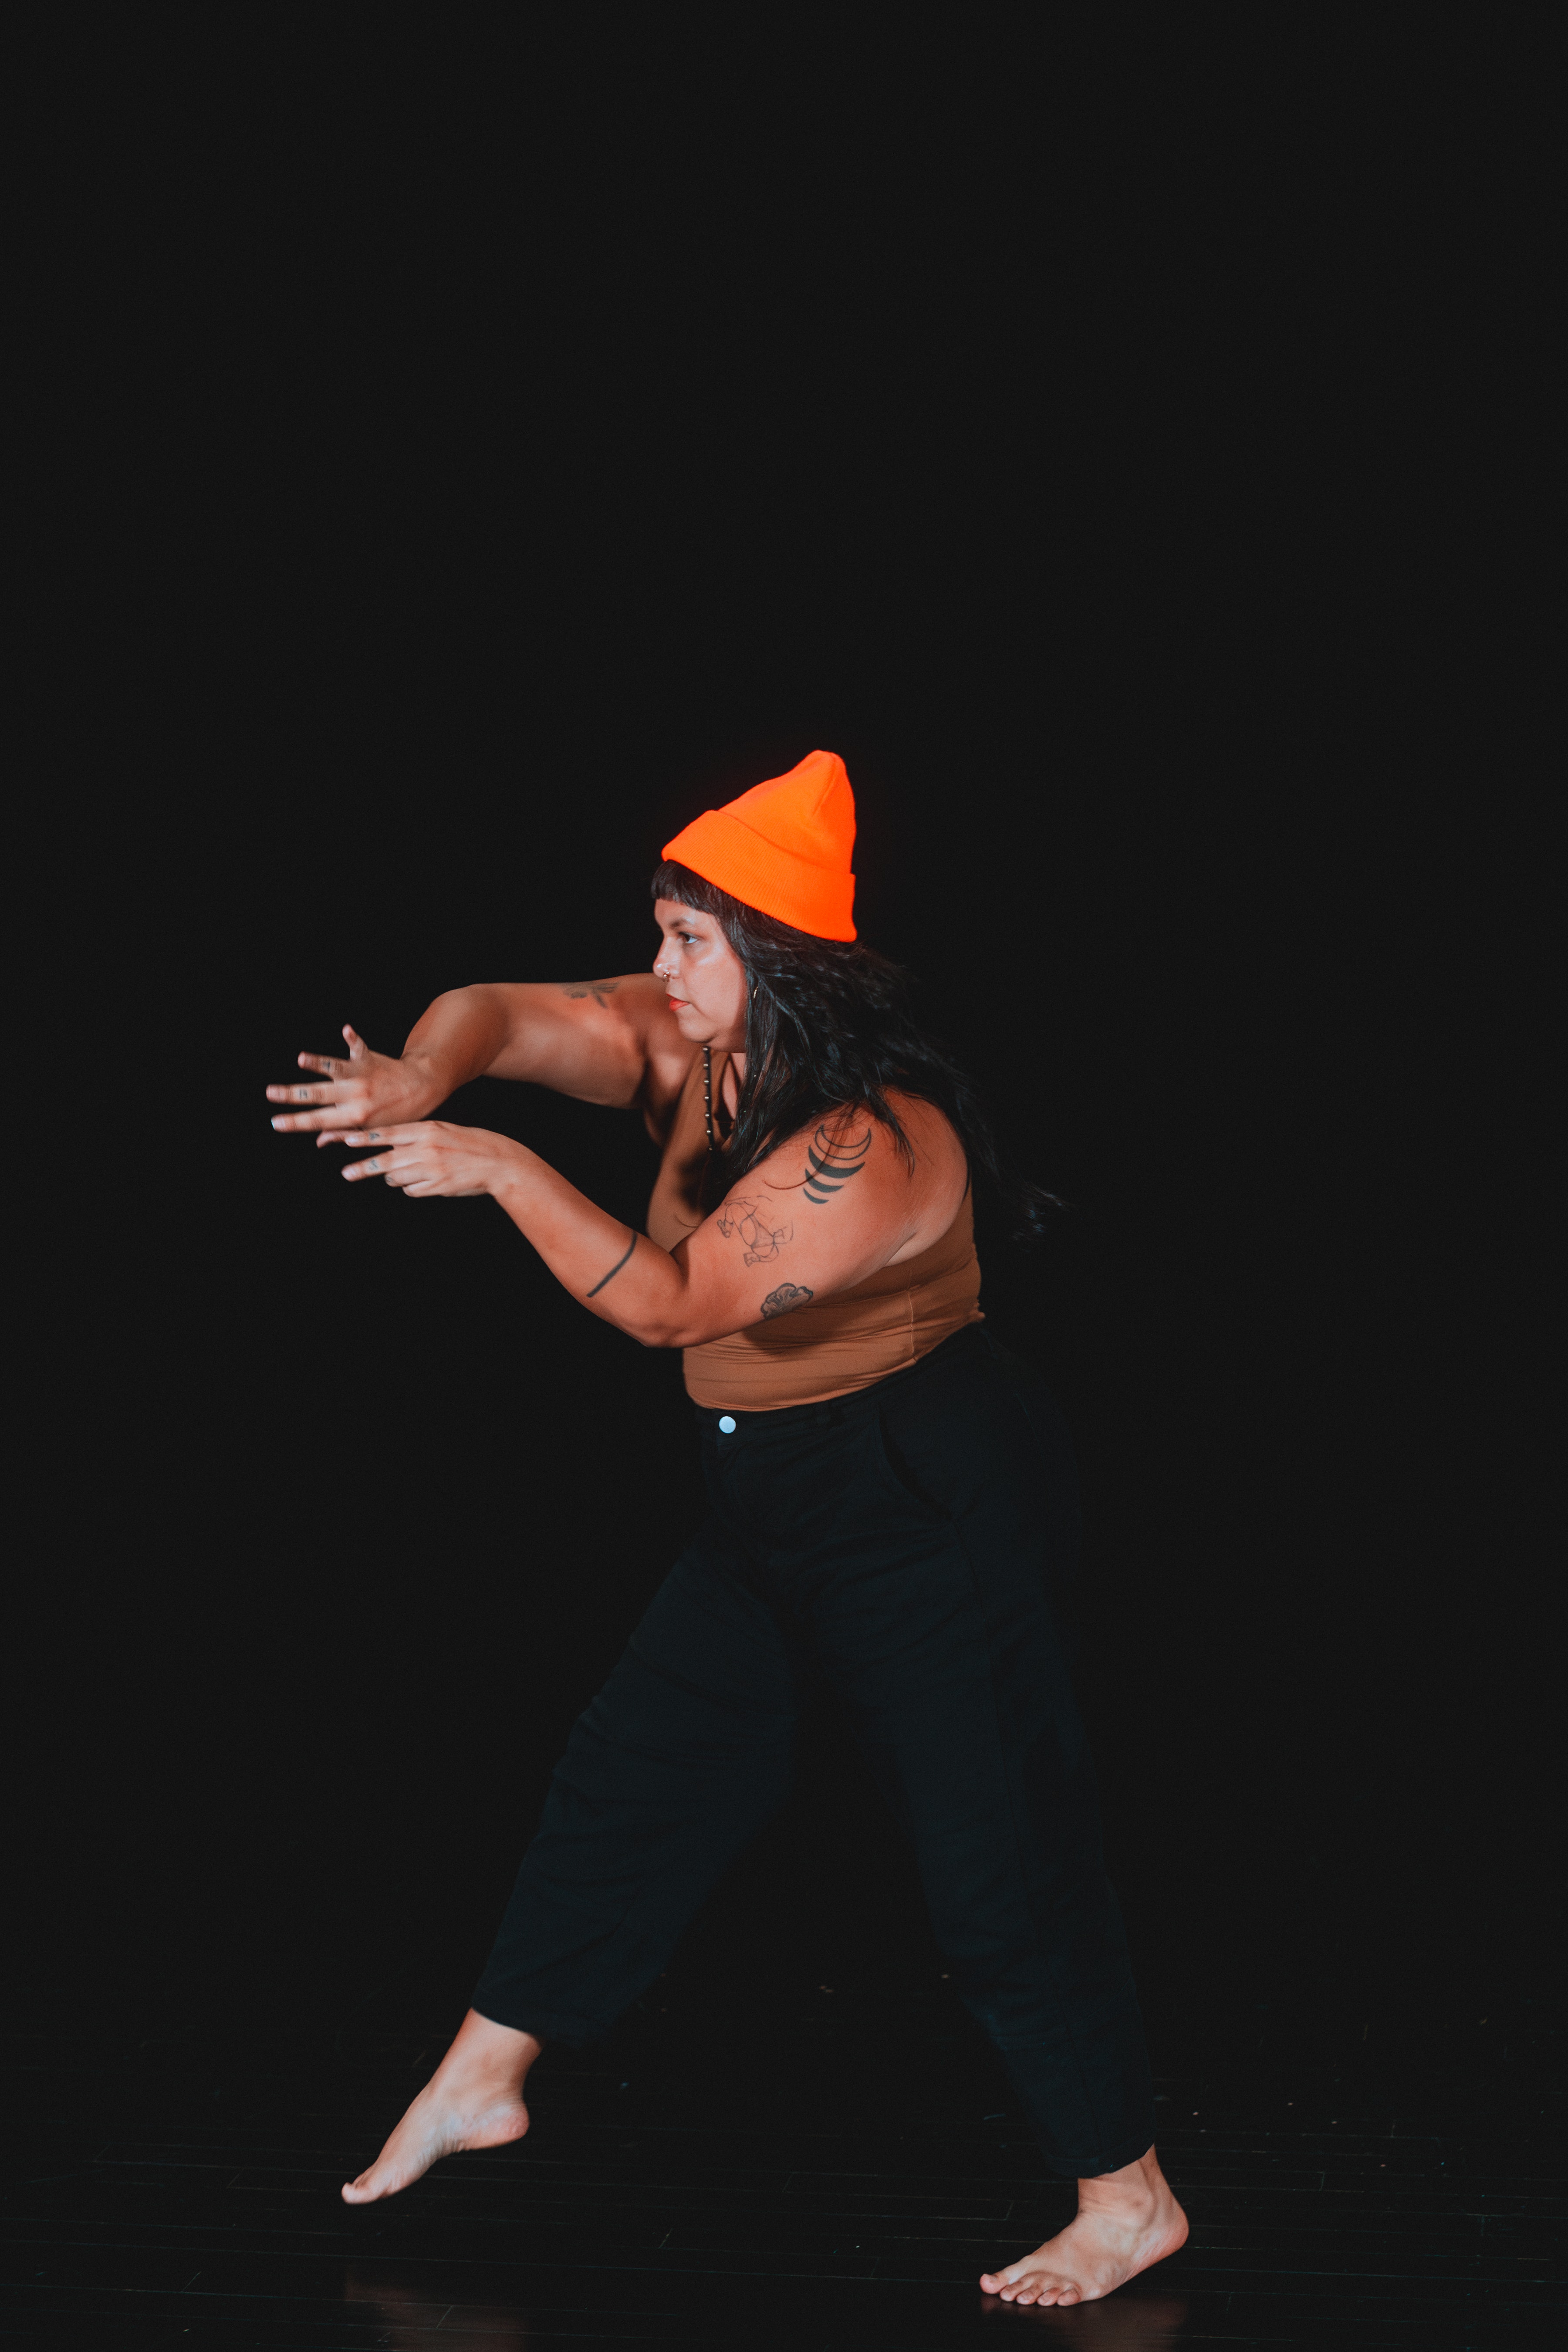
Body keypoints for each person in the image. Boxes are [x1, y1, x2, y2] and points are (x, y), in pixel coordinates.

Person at [265, 750, 1187, 2308]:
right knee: (630, 1775)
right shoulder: (687, 1040)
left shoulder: (870, 1139)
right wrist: (426, 1078)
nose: (661, 964)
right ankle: (483, 2079)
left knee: (996, 1865)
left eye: (691, 939)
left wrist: (499, 1166)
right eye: (662, 929)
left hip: (919, 1499)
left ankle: (1129, 2198)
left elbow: (677, 1305)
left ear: (779, 957)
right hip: (769, 1487)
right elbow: (494, 1012)